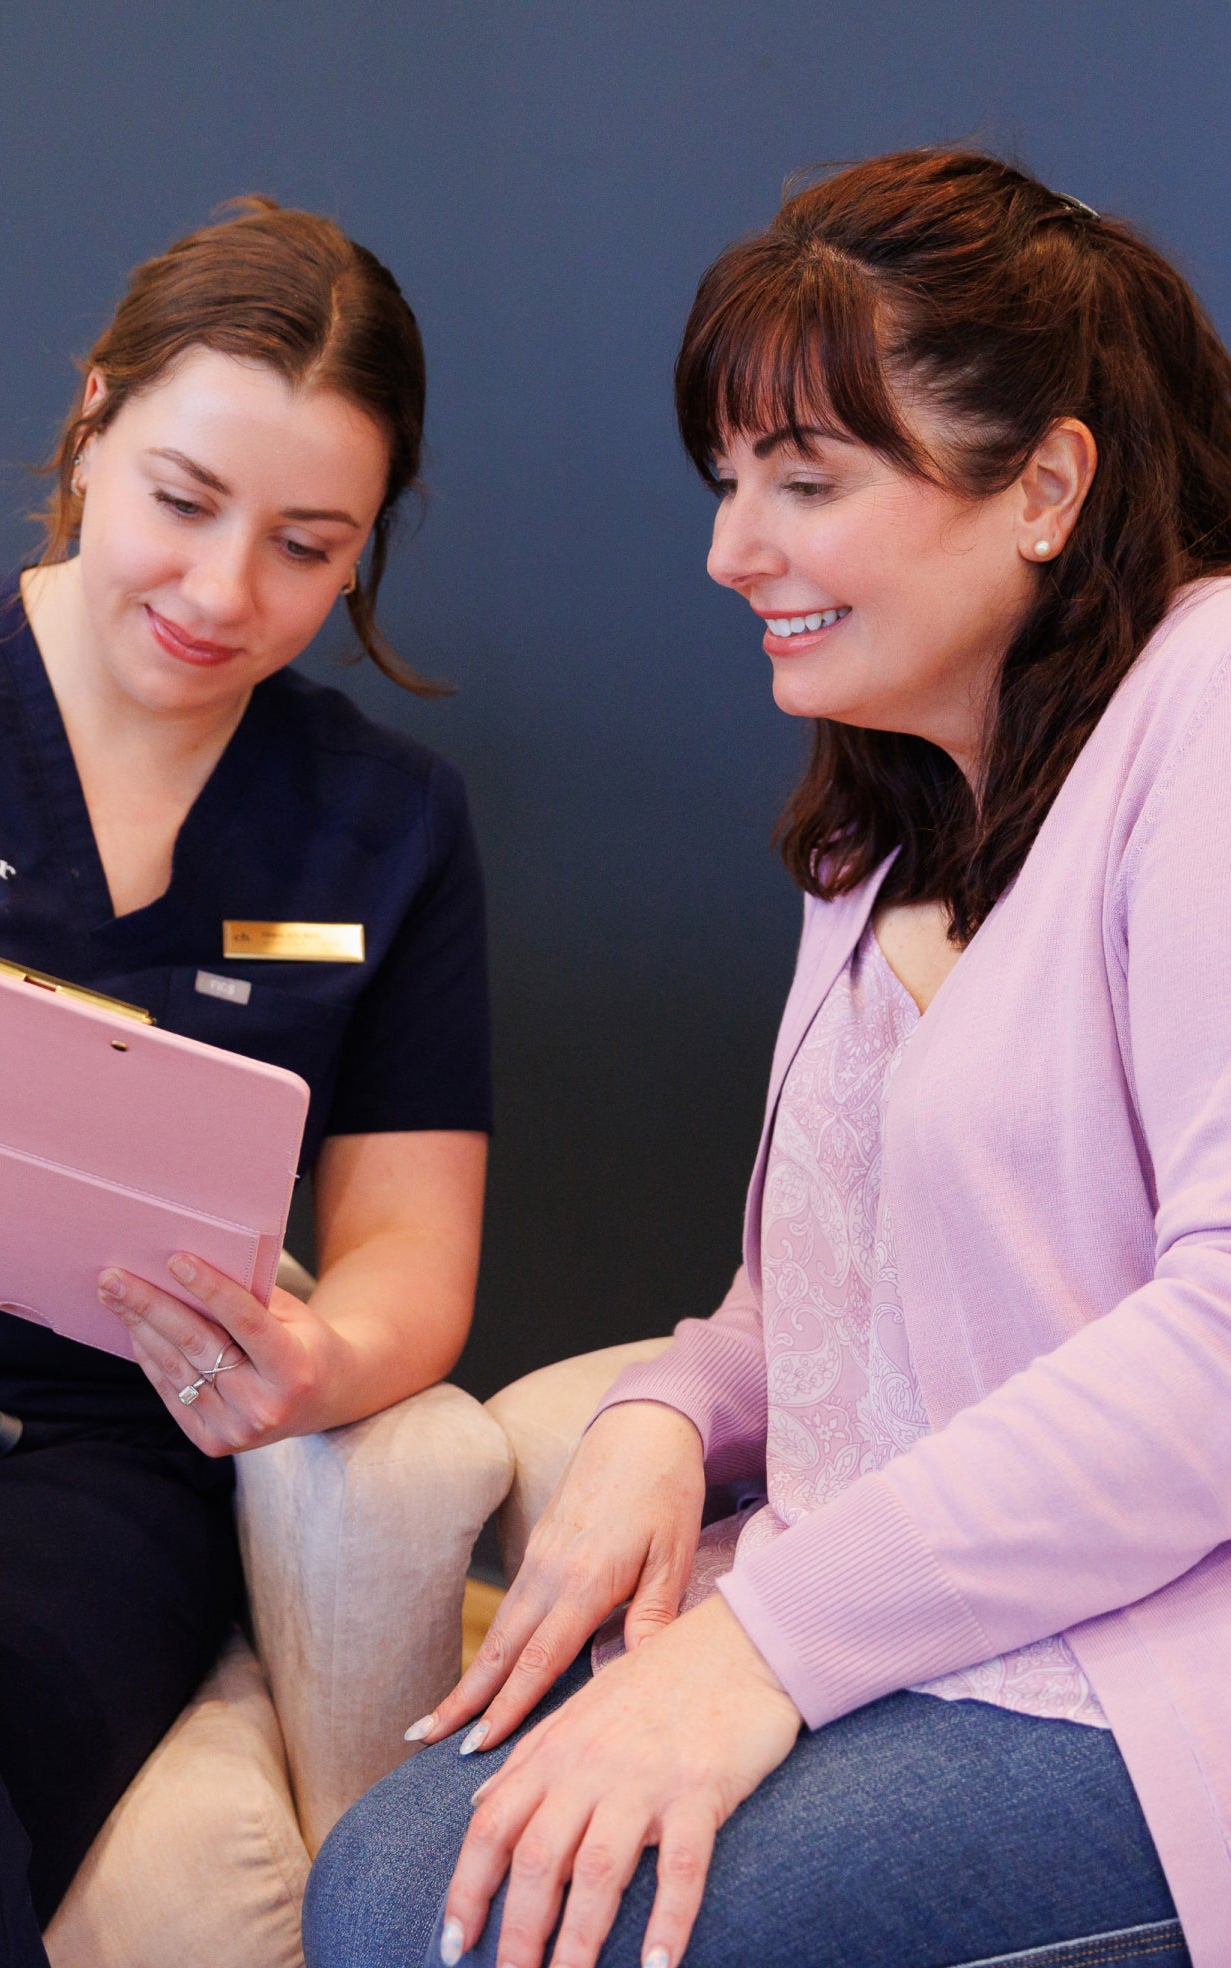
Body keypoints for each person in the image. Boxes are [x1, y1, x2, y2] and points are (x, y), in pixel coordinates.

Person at [303, 149, 1231, 1968]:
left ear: (1045, 484)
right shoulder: (883, 830)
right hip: (911, 1621)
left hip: (1147, 1660)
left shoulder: (1206, 713)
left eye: (803, 481)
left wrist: (761, 1642)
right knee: (399, 1870)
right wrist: (669, 1414)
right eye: (729, 482)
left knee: (453, 1920)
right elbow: (836, 1285)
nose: (733, 552)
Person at [0, 196, 490, 1966]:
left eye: (307, 547)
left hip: (107, 1449)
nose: (222, 594)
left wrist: (321, 1359)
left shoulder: (388, 827)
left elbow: (412, 1240)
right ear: (93, 424)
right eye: (182, 501)